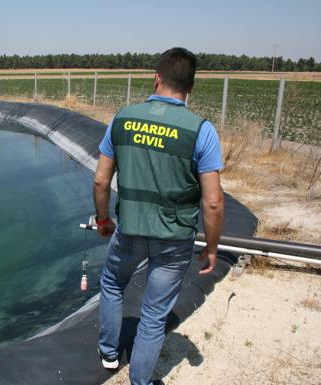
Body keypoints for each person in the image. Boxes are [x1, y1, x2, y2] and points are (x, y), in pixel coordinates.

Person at [92, 47, 225, 385]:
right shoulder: (201, 131)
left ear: (157, 78)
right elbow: (212, 203)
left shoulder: (122, 119)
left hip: (130, 229)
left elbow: (101, 179)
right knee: (153, 314)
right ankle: (141, 380)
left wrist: (104, 220)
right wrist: (211, 248)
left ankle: (109, 354)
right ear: (190, 88)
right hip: (174, 237)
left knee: (111, 283)